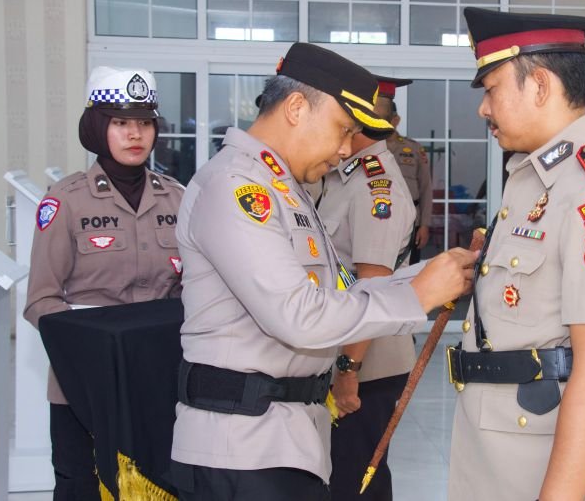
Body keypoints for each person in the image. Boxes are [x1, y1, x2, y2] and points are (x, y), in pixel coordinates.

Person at [169, 42, 476, 501]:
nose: (345, 148)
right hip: (242, 450)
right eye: (342, 129)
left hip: (289, 441)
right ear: (296, 107)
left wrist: (427, 273)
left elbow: (341, 288)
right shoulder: (235, 187)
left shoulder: (287, 188)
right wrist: (416, 297)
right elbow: (298, 314)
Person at [447, 8, 585, 501]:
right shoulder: (534, 176)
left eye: (492, 87)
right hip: (507, 452)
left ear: (539, 85)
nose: (483, 108)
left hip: (551, 465)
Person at [24, 67, 184, 500]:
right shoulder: (67, 201)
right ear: (98, 128)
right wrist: (91, 346)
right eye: (121, 122)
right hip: (86, 385)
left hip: (159, 379)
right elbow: (40, 300)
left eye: (145, 122)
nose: (136, 134)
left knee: (162, 486)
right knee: (84, 487)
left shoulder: (177, 198)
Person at [317, 120, 416, 501]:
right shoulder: (342, 176)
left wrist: (347, 371)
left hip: (366, 365)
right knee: (339, 474)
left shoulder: (377, 186)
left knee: (356, 481)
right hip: (345, 351)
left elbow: (373, 290)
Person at [375, 76, 433, 264]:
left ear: (396, 120)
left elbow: (425, 189)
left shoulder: (413, 149)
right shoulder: (367, 148)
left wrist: (424, 224)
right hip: (377, 218)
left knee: (407, 273)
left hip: (411, 222)